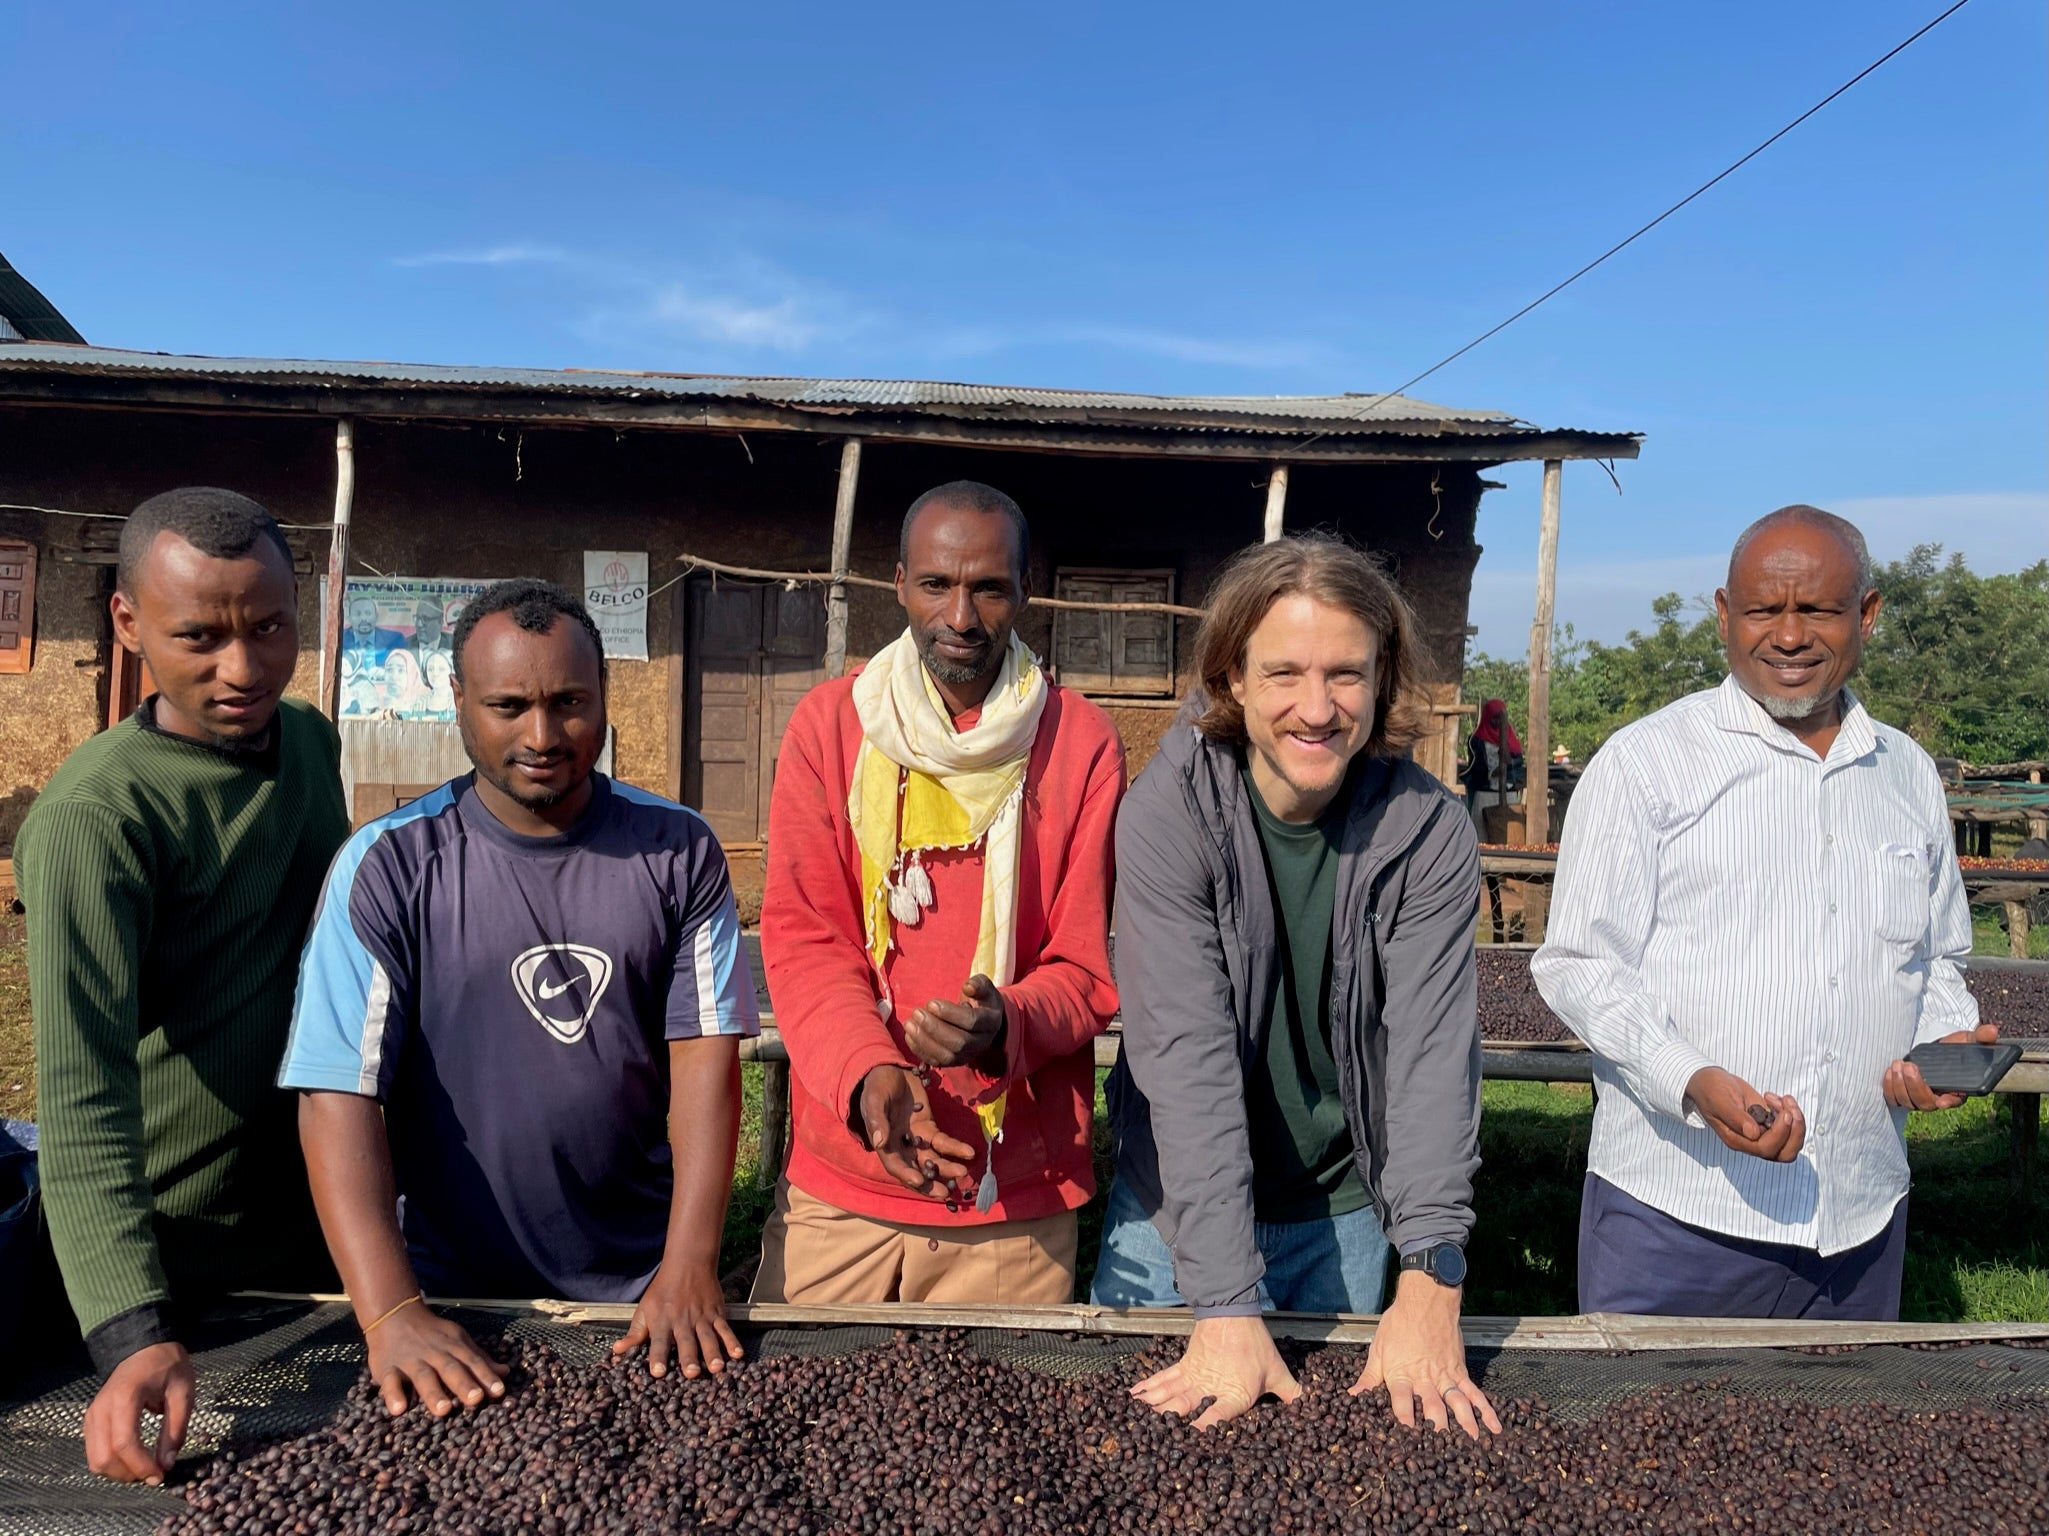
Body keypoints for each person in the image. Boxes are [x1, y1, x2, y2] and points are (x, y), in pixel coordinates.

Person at [280, 579, 759, 1417]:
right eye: (509, 705)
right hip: (447, 1293)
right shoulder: (388, 864)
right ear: (458, 700)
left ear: (605, 698)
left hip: (642, 1289)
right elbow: (336, 1094)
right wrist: (392, 1311)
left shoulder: (678, 850)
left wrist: (689, 1264)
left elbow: (705, 1062)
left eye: (570, 703)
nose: (542, 736)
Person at [1532, 505, 1993, 1321]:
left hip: (1860, 1213)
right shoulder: (1646, 763)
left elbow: (1934, 957)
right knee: (1650, 1447)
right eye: (1761, 611)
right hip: (1678, 1214)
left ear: (1867, 615)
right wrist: (1689, 1078)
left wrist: (1942, 1042)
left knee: (1845, 1446)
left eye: (1815, 609)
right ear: (1722, 614)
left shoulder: (1905, 774)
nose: (1787, 635)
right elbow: (1578, 964)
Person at [1096, 533, 1499, 1439]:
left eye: (1345, 675)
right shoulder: (1169, 816)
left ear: (1383, 675)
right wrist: (1225, 1303)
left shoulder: (1425, 832)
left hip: (1344, 1205)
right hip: (1177, 1212)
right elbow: (1184, 1058)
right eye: (1283, 673)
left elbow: (1433, 1059)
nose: (1315, 709)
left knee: (1350, 1459)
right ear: (1231, 678)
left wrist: (1432, 1273)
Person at [15, 487, 348, 1483]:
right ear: (128, 622)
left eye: (270, 629)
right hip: (168, 1260)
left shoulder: (308, 743)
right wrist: (128, 1328)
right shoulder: (96, 821)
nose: (241, 669)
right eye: (199, 636)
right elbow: (81, 1091)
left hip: (309, 1240)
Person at [753, 481, 1123, 1305]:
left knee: (989, 1428)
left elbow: (1085, 965)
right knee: (810, 1418)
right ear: (899, 585)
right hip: (844, 1184)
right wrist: (864, 1072)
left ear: (1024, 591)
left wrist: (1007, 1024)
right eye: (935, 585)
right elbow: (806, 936)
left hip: (1009, 1197)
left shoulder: (1080, 744)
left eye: (988, 588)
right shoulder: (829, 727)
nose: (960, 616)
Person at [1458, 698, 1524, 838]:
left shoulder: (1510, 738)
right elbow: (1475, 766)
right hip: (1485, 795)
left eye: (1500, 719)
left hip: (1508, 794)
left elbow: (1519, 760)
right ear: (1488, 717)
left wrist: (1508, 763)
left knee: (1509, 838)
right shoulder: (1476, 740)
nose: (1498, 723)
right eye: (1494, 719)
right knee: (1482, 838)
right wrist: (1491, 773)